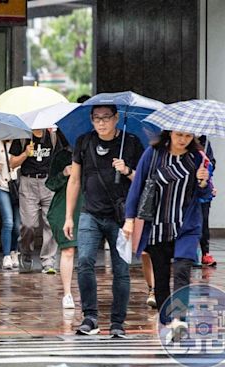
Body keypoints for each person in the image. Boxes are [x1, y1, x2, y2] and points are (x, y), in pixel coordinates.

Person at [63, 104, 144, 337]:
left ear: (116, 118)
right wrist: (69, 216)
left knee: (121, 269)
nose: (101, 123)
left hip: (121, 217)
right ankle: (90, 317)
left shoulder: (131, 143)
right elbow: (75, 180)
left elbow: (142, 181)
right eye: (96, 118)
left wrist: (127, 170)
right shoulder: (84, 142)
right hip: (90, 213)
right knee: (85, 262)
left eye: (106, 118)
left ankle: (118, 321)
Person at [123, 130, 210, 337]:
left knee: (182, 270)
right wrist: (129, 219)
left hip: (186, 227)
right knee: (161, 277)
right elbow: (137, 187)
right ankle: (167, 321)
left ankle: (180, 319)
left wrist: (203, 181)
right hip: (157, 226)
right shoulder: (153, 154)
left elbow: (205, 195)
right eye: (179, 135)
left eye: (188, 136)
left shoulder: (197, 158)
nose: (183, 140)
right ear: (170, 133)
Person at [9, 129, 58, 274]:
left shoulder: (53, 136)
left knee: (51, 222)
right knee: (28, 224)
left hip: (48, 182)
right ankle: (26, 251)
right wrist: (25, 153)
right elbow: (12, 163)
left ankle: (48, 261)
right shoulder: (23, 137)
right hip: (28, 181)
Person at [46, 130, 82, 309]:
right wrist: (64, 173)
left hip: (89, 206)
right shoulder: (61, 156)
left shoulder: (93, 152)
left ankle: (85, 292)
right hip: (64, 208)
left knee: (86, 253)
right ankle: (67, 293)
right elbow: (50, 183)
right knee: (67, 250)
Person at [0, 140, 20, 270]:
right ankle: (6, 255)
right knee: (8, 222)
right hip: (2, 186)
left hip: (18, 188)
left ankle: (14, 251)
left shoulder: (21, 143)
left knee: (18, 226)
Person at [196, 135, 217, 267]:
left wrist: (207, 165)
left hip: (204, 191)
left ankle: (205, 253)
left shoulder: (206, 143)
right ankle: (189, 253)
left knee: (203, 222)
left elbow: (212, 163)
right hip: (188, 191)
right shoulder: (185, 143)